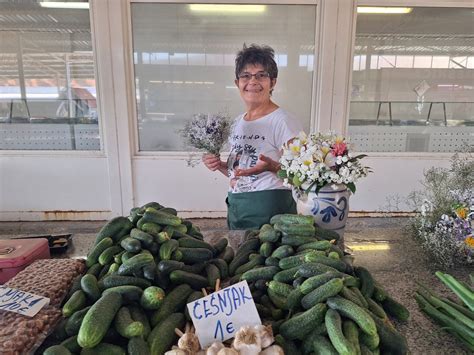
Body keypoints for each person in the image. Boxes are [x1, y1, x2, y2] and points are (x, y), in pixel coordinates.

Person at [203, 44, 303, 230]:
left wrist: (272, 167)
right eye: (246, 75)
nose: (253, 81)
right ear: (237, 83)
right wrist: (219, 165)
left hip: (272, 209)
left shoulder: (283, 121)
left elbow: (301, 176)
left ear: (272, 82)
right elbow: (239, 171)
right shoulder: (237, 123)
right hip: (238, 206)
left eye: (261, 75)